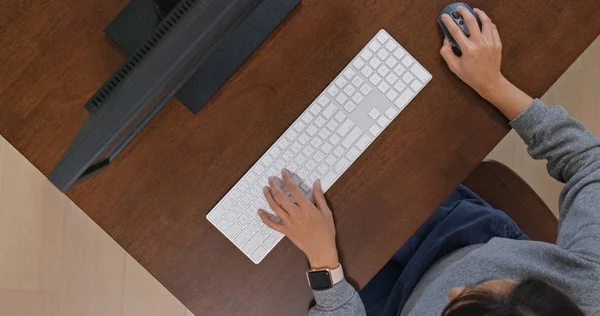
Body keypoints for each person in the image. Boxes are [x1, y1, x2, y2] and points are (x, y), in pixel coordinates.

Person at [258, 6, 600, 316]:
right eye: (514, 284)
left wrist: (325, 267)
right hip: (455, 236)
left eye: (454, 305)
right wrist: (494, 85)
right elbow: (591, 165)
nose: (455, 289)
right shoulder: (589, 286)